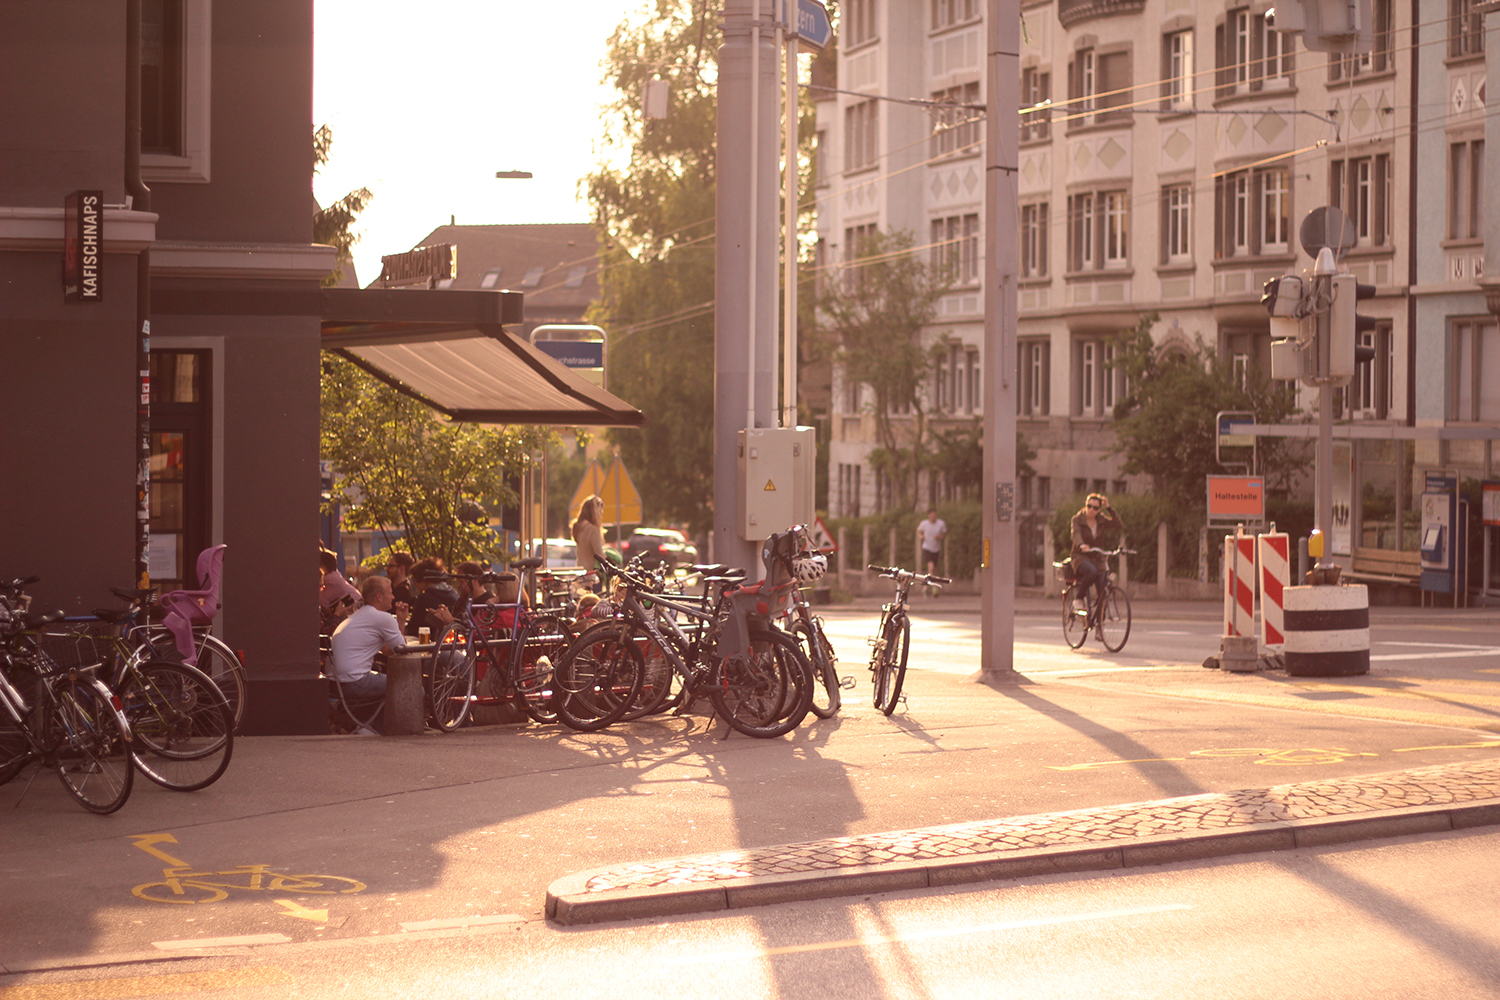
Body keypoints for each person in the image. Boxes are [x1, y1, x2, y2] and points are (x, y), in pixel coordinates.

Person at [327, 575, 410, 710]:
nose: (393, 597)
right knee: (411, 686)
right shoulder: (382, 618)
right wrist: (401, 621)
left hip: (334, 683)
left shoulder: (359, 616)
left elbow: (389, 651)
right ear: (379, 596)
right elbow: (403, 650)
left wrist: (401, 621)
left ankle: (365, 725)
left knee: (379, 672)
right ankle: (379, 727)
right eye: (390, 593)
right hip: (353, 682)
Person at [1069, 492, 1123, 624]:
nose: (1091, 510)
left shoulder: (1101, 520)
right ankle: (1079, 598)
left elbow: (1118, 525)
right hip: (1080, 556)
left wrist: (1109, 508)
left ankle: (1099, 626)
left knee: (1102, 593)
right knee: (1091, 571)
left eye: (1095, 508)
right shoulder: (1077, 519)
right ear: (1085, 506)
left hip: (1097, 557)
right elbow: (1075, 534)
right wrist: (1081, 544)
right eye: (1089, 506)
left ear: (1099, 509)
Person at [406, 557, 461, 637]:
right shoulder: (454, 595)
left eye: (415, 579)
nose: (413, 583)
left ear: (425, 579)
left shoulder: (424, 600)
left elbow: (413, 629)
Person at [571, 495, 611, 593]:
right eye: (600, 511)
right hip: (593, 575)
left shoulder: (578, 527)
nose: (601, 514)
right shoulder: (593, 530)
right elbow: (599, 554)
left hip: (581, 571)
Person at [319, 548, 361, 634]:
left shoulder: (330, 579)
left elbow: (322, 602)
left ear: (323, 566)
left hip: (353, 608)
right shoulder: (334, 575)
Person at [916, 508, 947, 597]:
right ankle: (934, 588)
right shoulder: (924, 524)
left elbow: (944, 534)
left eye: (935, 515)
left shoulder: (941, 524)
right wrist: (921, 536)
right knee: (931, 567)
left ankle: (925, 587)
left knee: (933, 570)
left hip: (936, 549)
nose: (933, 517)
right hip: (927, 548)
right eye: (931, 515)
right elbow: (918, 531)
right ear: (929, 515)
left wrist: (939, 537)